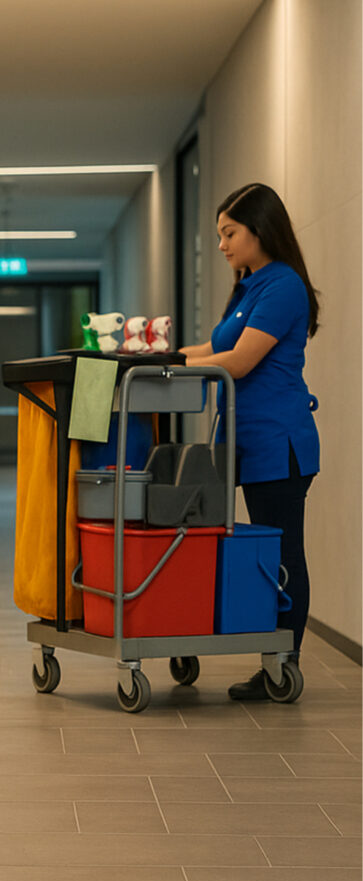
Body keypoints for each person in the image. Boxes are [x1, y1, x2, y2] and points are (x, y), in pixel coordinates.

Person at [181, 182, 320, 700]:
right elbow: (218, 345)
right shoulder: (250, 285)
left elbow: (239, 361)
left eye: (230, 233)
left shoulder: (283, 287)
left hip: (277, 443)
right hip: (239, 440)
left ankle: (283, 664)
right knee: (209, 537)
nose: (222, 245)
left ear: (261, 229)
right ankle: (199, 632)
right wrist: (163, 354)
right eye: (220, 234)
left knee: (283, 553)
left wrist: (177, 366)